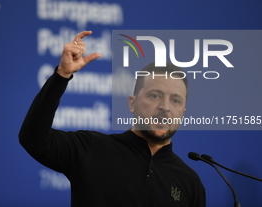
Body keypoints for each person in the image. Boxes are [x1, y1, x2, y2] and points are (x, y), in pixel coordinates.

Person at [19, 31, 206, 207]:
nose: (165, 107)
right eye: (155, 95)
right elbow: (33, 139)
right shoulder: (91, 148)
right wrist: (62, 75)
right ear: (132, 104)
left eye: (175, 100)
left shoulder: (190, 183)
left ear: (183, 112)